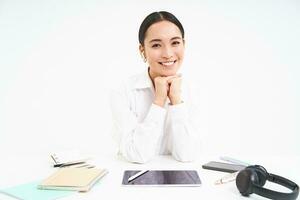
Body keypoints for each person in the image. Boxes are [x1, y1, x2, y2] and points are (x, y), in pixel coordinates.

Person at [110, 11, 200, 163]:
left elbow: (188, 155)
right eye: (156, 45)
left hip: (180, 182)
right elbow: (137, 155)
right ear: (142, 50)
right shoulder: (124, 90)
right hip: (131, 178)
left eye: (175, 43)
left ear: (184, 45)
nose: (168, 53)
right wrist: (158, 101)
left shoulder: (194, 90)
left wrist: (176, 101)